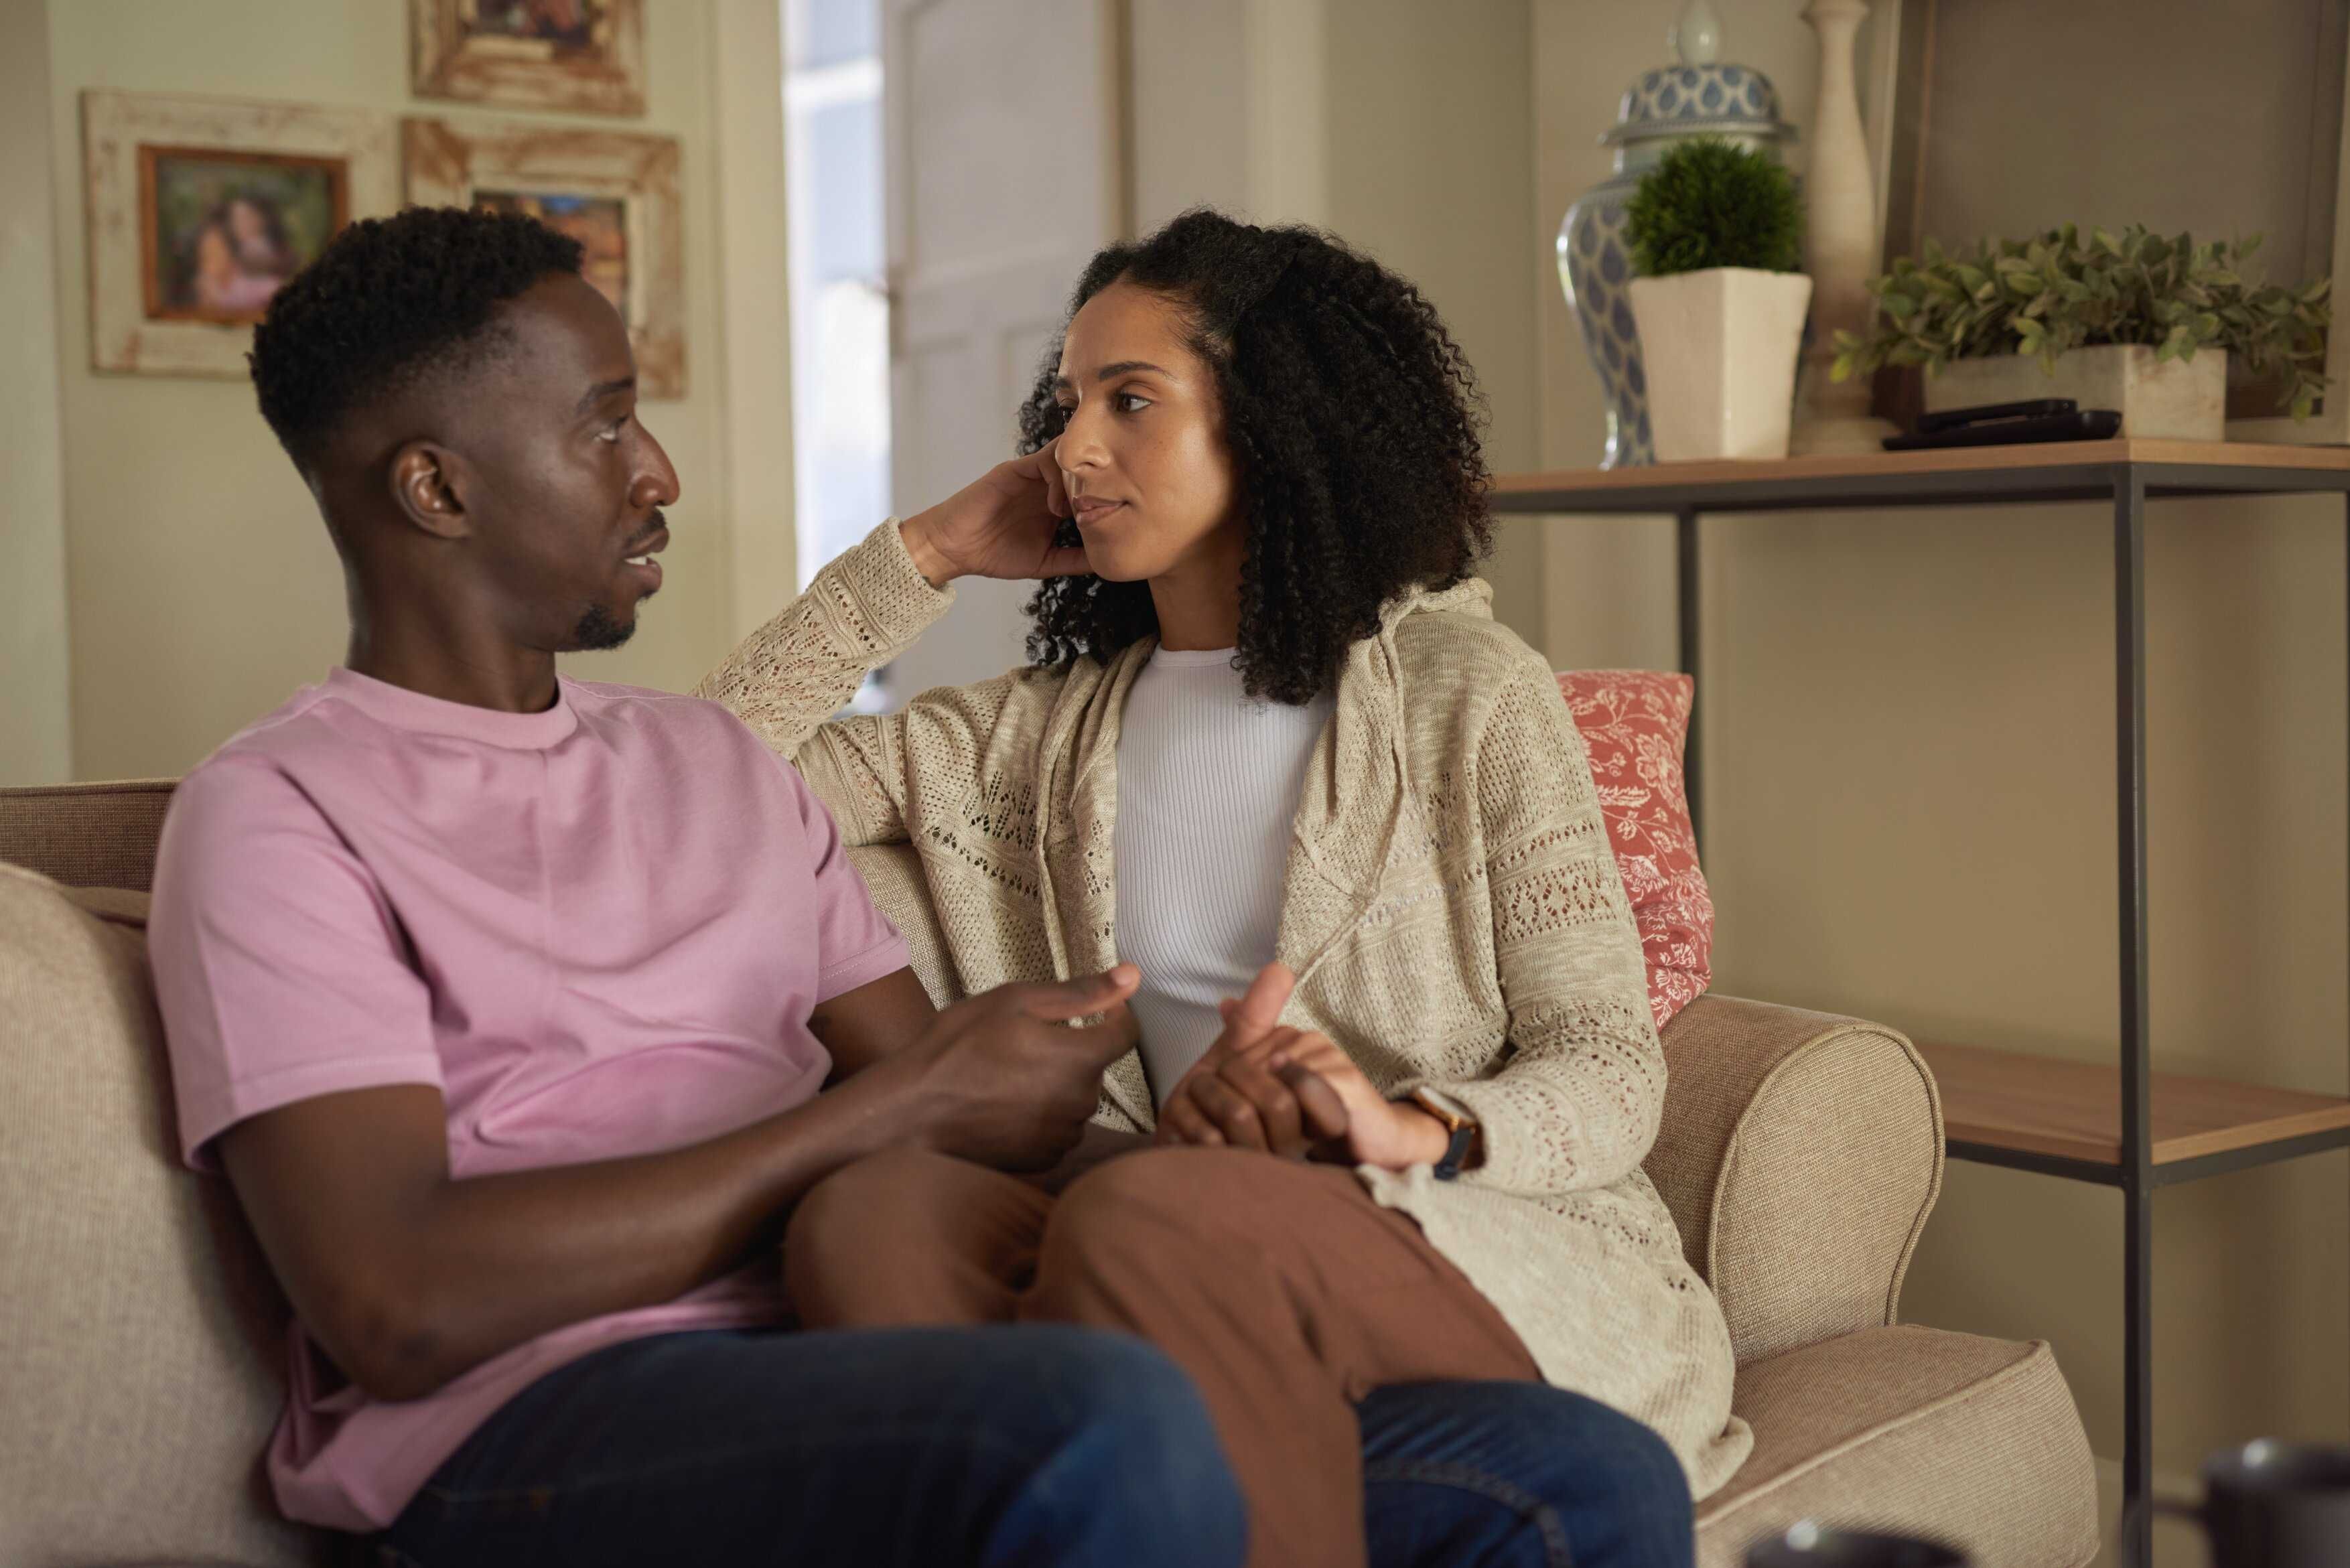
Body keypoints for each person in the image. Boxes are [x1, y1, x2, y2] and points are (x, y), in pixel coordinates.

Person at [147, 205, 1249, 1568]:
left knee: (1534, 1465)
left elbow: (951, 1116)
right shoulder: (278, 814)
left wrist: (1224, 1172)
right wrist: (893, 1110)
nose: (658, 471)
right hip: (527, 1430)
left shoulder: (708, 757)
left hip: (850, 1341)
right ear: (436, 491)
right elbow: (397, 1297)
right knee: (1102, 1425)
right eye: (606, 425)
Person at [699, 209, 1752, 1568]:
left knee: (1145, 1211)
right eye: (1066, 402)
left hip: (1443, 1226)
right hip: (1159, 1223)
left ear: (1268, 424)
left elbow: (1606, 1063)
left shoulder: (1466, 697)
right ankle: (1135, 1497)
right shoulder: (1018, 739)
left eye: (1130, 401)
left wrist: (1403, 1124)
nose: (1071, 448)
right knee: (873, 1211)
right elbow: (694, 792)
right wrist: (927, 555)